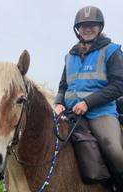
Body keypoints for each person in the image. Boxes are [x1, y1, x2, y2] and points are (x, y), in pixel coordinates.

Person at [54, 6, 123, 190]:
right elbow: (63, 86)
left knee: (114, 150)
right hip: (70, 113)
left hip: (100, 113)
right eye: (83, 25)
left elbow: (119, 85)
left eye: (92, 25)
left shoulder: (111, 51)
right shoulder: (70, 56)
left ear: (99, 27)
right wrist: (58, 103)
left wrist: (87, 102)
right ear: (78, 29)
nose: (88, 28)